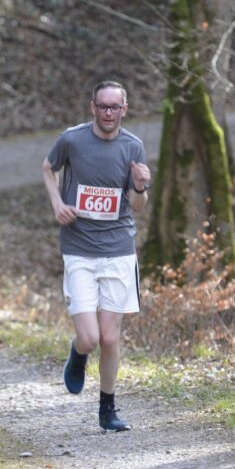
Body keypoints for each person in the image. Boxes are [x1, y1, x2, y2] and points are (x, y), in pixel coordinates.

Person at [42, 80, 152, 432]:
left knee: (109, 337)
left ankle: (108, 409)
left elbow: (137, 206)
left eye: (114, 107)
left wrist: (140, 186)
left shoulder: (133, 146)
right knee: (89, 338)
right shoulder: (72, 140)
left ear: (124, 110)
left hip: (118, 250)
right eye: (102, 106)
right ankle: (78, 353)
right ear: (92, 107)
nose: (107, 113)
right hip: (79, 249)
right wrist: (58, 204)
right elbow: (48, 168)